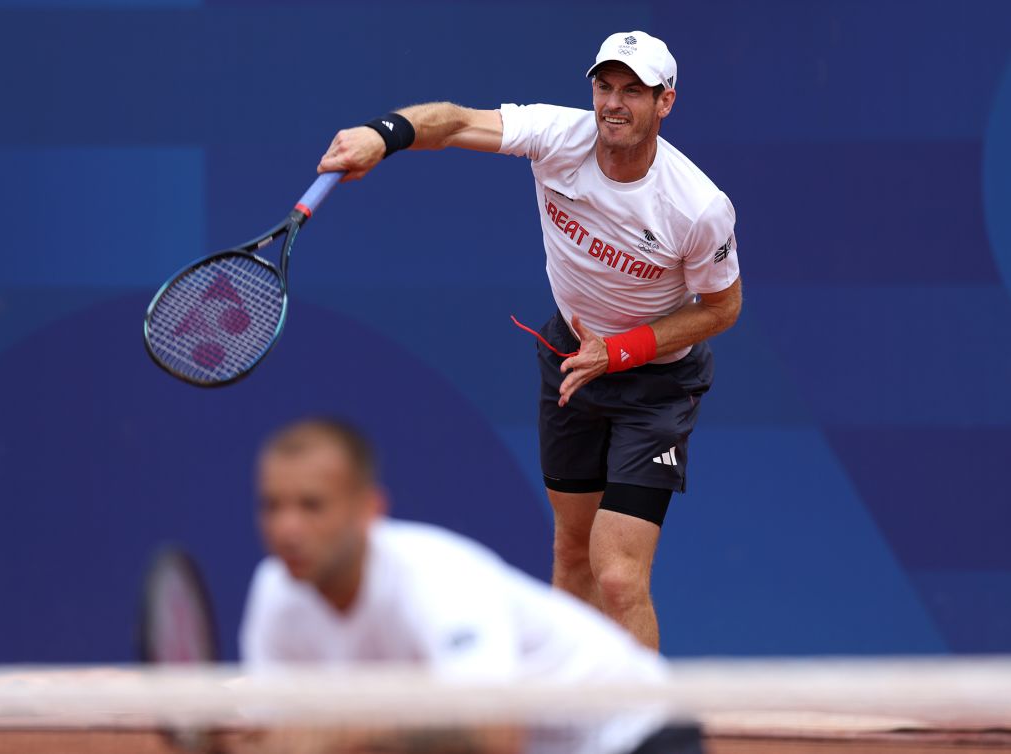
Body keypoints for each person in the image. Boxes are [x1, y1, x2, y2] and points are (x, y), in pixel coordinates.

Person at [315, 31, 741, 650]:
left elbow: (723, 308)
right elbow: (455, 122)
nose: (613, 103)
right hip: (569, 360)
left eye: (632, 90)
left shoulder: (698, 207)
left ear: (664, 102)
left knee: (619, 577)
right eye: (604, 86)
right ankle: (568, 721)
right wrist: (383, 135)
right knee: (571, 553)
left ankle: (643, 733)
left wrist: (620, 351)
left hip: (655, 383)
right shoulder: (556, 135)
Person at [239, 418, 706, 754]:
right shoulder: (275, 595)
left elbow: (491, 736)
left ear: (368, 509)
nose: (288, 528)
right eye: (273, 506)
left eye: (312, 506)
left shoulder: (436, 577)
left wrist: (354, 735)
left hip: (635, 735)